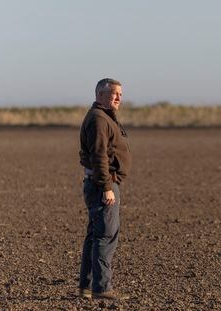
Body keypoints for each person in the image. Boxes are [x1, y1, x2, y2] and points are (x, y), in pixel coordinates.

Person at [78, 78, 132, 300]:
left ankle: (87, 287)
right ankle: (102, 288)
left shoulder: (104, 117)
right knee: (105, 236)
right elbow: (99, 156)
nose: (118, 97)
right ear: (99, 95)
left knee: (95, 236)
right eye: (113, 93)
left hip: (100, 183)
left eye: (120, 93)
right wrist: (107, 187)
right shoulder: (99, 120)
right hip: (103, 184)